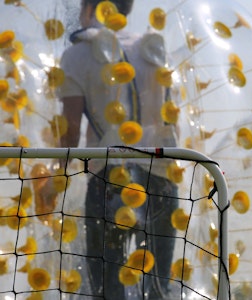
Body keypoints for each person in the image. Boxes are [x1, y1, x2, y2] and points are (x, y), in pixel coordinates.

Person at [58, 0, 179, 298]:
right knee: (158, 287)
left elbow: (70, 129)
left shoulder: (77, 54)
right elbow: (171, 120)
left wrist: (55, 176)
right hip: (162, 175)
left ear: (89, 8)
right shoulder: (154, 49)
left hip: (111, 177)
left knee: (108, 287)